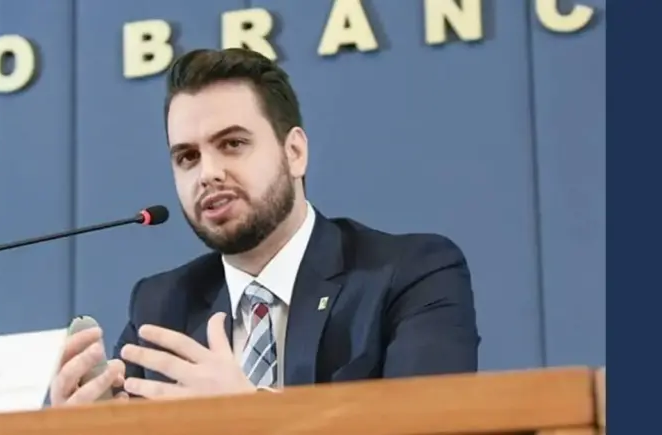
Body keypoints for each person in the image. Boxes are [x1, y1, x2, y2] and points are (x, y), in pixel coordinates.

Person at [49, 48, 480, 406]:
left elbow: (429, 424)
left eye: (232, 144)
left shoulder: (411, 273)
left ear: (295, 153)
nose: (207, 173)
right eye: (187, 157)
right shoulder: (161, 306)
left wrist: (251, 414)